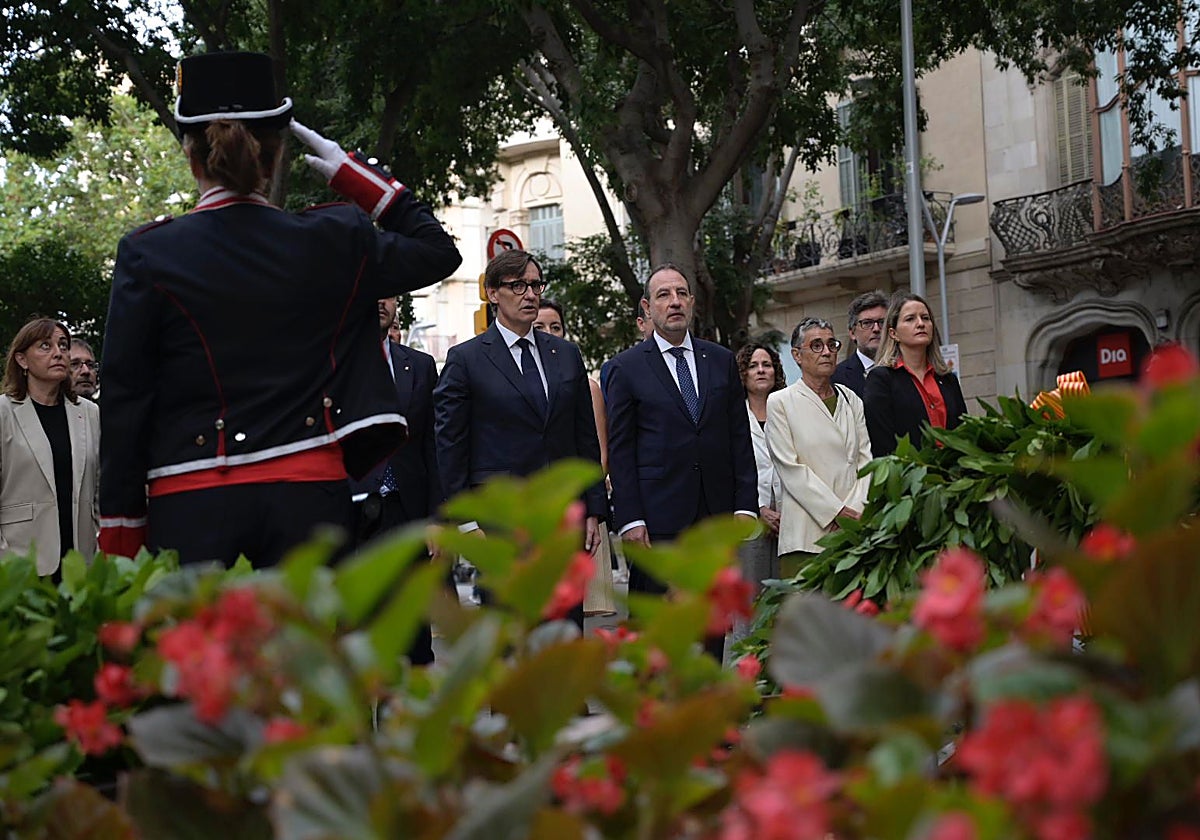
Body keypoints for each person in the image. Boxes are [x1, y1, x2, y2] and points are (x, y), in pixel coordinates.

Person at [98, 51, 461, 566]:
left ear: (190, 155)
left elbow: (126, 397)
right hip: (309, 500)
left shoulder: (149, 252)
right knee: (304, 649)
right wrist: (354, 175)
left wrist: (120, 528)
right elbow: (437, 250)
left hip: (193, 501)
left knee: (204, 648)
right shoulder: (333, 239)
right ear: (276, 154)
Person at [433, 250, 606, 626]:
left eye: (535, 285)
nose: (530, 295)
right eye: (517, 286)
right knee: (511, 639)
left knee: (565, 632)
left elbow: (584, 436)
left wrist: (593, 508)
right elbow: (450, 445)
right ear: (493, 294)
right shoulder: (467, 359)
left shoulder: (565, 355)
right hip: (501, 524)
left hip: (563, 519)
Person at [605, 264, 758, 659]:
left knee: (710, 626)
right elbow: (621, 451)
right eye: (663, 295)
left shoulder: (719, 359)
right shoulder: (625, 368)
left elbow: (739, 437)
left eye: (681, 293)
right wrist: (631, 518)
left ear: (691, 302)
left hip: (714, 516)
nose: (674, 302)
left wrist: (744, 505)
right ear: (647, 306)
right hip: (656, 523)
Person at [767, 317, 872, 577]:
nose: (826, 352)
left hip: (853, 531)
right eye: (816, 345)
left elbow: (866, 461)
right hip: (806, 535)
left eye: (831, 345)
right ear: (797, 355)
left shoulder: (852, 399)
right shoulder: (780, 402)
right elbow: (791, 469)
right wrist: (836, 512)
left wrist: (854, 512)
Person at [534, 297, 616, 617]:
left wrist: (590, 505)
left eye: (556, 326)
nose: (549, 333)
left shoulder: (585, 384)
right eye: (541, 326)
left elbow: (597, 449)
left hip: (576, 508)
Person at [0, 318, 100, 576]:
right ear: (22, 360)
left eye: (63, 345)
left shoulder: (89, 413)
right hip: (20, 562)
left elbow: (99, 487)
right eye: (45, 346)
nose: (58, 353)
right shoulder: (4, 412)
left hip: (80, 561)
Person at [864, 292, 968, 457]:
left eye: (926, 318)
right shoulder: (882, 379)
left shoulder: (947, 379)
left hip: (953, 476)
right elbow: (882, 443)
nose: (920, 324)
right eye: (910, 319)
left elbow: (964, 432)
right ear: (893, 333)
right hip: (909, 476)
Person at [735, 341, 784, 588]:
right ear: (743, 374)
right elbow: (727, 470)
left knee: (788, 596)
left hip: (790, 516)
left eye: (767, 365)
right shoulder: (732, 417)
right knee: (750, 596)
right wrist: (759, 509)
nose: (761, 370)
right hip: (751, 515)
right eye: (753, 366)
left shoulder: (788, 411)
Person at [832, 290, 888, 398]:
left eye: (882, 322)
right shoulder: (836, 378)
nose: (876, 329)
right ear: (852, 333)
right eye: (867, 323)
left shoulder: (906, 369)